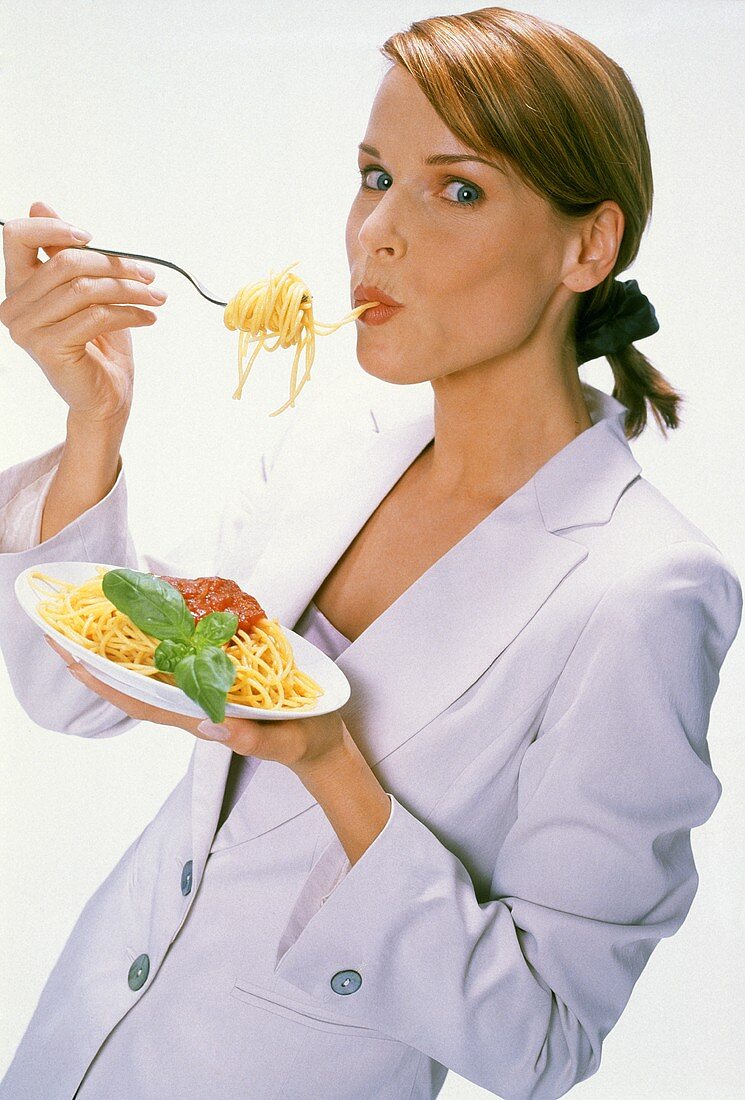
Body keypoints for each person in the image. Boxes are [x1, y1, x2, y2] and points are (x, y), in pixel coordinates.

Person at [0, 7, 741, 1099]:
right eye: (373, 175)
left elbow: (538, 1043)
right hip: (74, 1042)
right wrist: (94, 424)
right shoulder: (328, 451)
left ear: (587, 245)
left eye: (459, 189)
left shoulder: (643, 589)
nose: (375, 234)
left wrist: (331, 764)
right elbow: (80, 695)